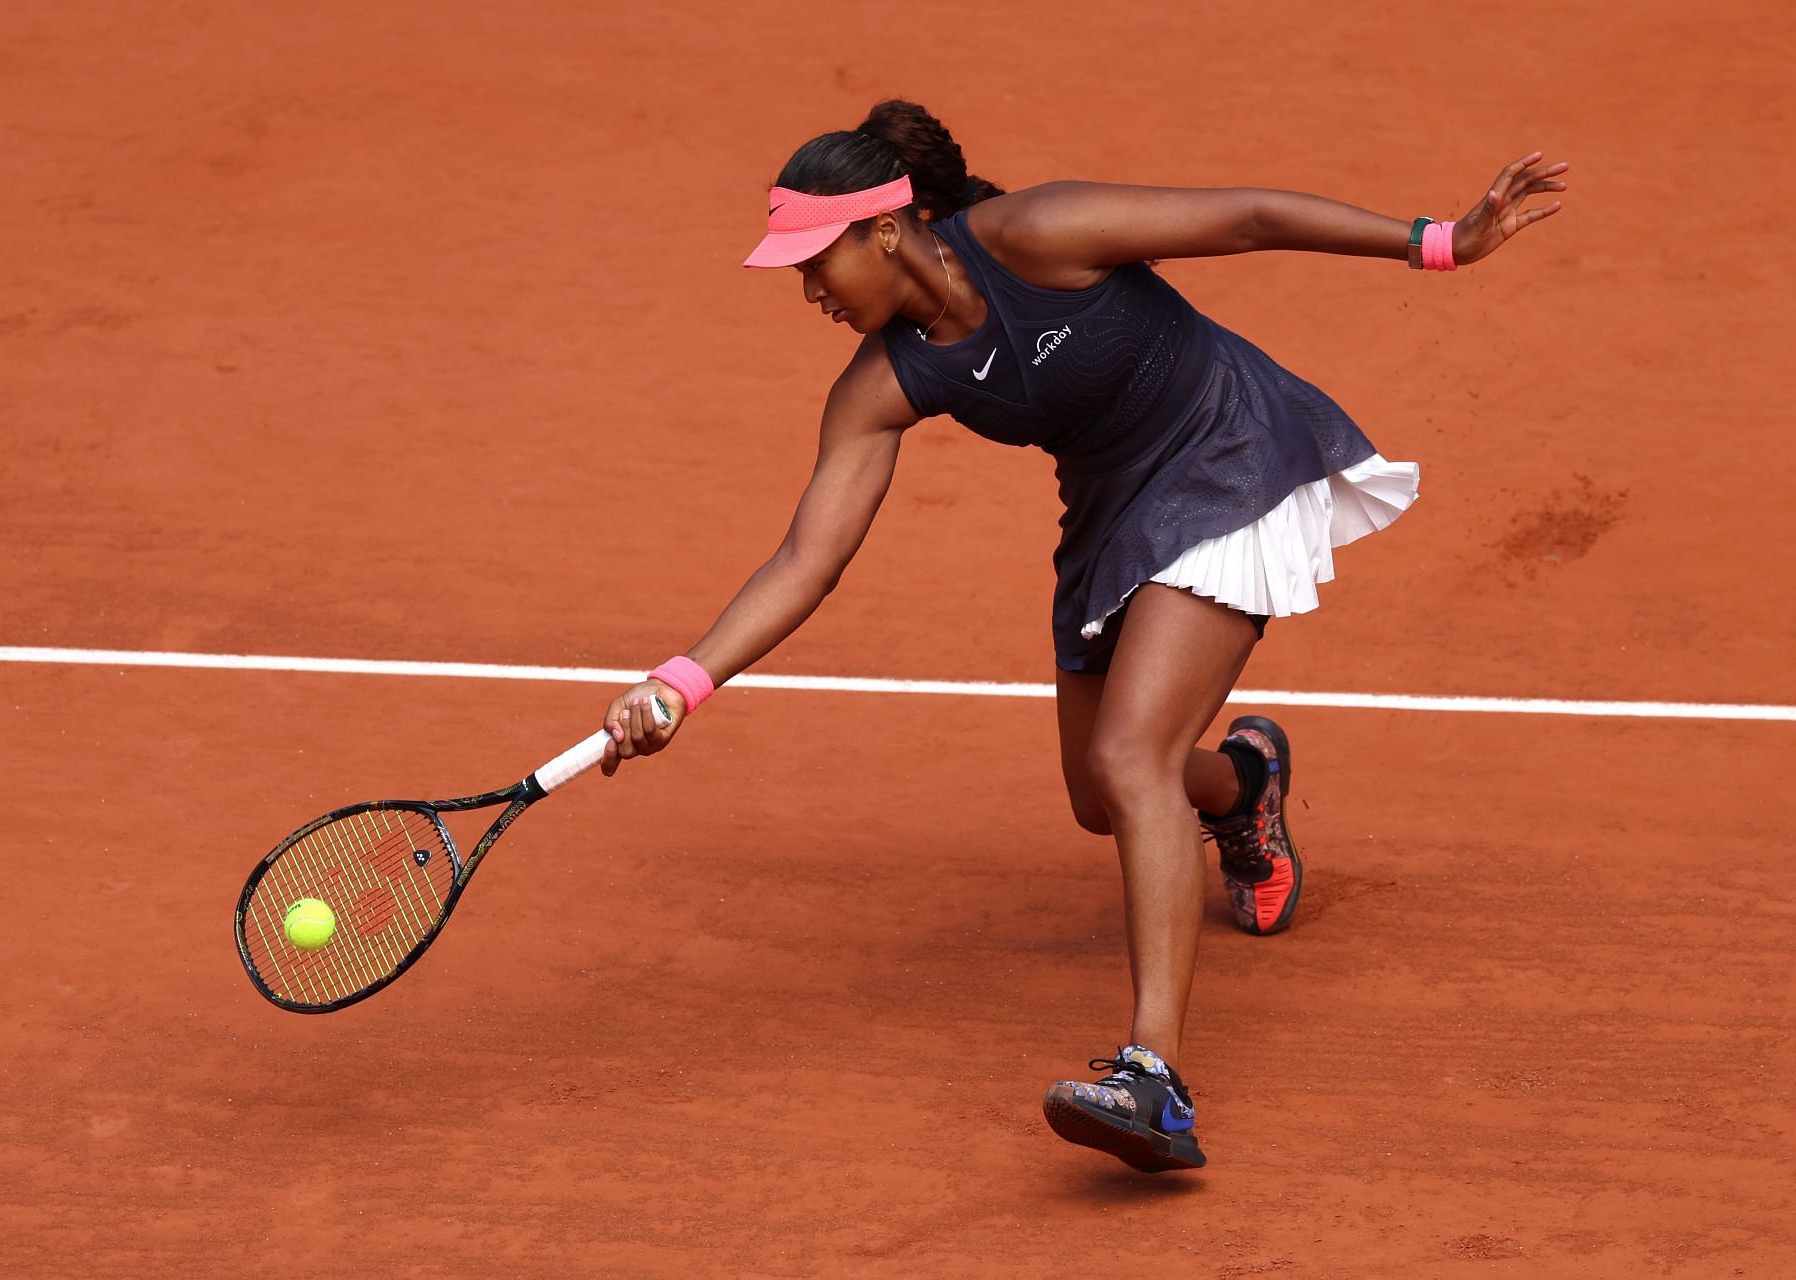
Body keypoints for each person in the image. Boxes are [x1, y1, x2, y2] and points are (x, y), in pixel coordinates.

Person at [596, 100, 1565, 1173]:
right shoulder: (885, 380)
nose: (810, 290)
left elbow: (1241, 216)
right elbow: (806, 559)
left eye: (817, 261)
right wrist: (681, 680)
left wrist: (1436, 242)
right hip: (1109, 513)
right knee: (1099, 797)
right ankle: (1244, 785)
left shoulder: (1036, 234)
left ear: (884, 229)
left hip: (1224, 446)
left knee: (1129, 754)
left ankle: (1155, 1078)